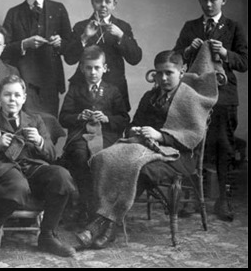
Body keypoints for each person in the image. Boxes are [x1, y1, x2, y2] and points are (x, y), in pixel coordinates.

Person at [74, 50, 215, 250]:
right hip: (146, 149)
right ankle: (106, 222)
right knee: (104, 158)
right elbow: (134, 123)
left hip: (178, 156)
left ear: (181, 71)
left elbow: (192, 136)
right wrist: (135, 129)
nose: (163, 78)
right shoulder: (151, 96)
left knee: (136, 168)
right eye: (159, 73)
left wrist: (160, 136)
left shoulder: (190, 98)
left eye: (169, 73)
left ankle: (105, 226)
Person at [0, 75, 76, 260]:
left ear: (24, 98)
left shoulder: (35, 120)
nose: (12, 99)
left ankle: (47, 235)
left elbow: (51, 155)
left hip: (30, 167)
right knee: (17, 185)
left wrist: (40, 141)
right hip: (0, 169)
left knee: (62, 176)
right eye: (7, 95)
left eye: (17, 95)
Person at [173, 0, 248, 222]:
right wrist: (186, 51)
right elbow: (175, 59)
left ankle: (223, 200)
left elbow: (245, 62)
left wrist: (226, 54)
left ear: (223, 0)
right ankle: (195, 197)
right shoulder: (191, 26)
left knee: (224, 146)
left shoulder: (233, 27)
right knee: (193, 144)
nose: (207, 4)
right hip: (194, 95)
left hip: (224, 97)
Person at [58, 46, 129, 225]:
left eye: (97, 68)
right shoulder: (75, 89)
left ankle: (103, 208)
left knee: (105, 157)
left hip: (106, 135)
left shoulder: (113, 90)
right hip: (81, 135)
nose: (92, 72)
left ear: (105, 68)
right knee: (80, 156)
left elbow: (124, 119)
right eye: (88, 68)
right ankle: (85, 204)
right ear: (82, 68)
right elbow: (63, 118)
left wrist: (106, 118)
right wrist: (78, 117)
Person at [2, 0, 72, 117]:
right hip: (24, 80)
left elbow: (70, 46)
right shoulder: (13, 13)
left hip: (50, 79)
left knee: (50, 123)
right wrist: (24, 44)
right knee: (26, 125)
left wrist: (60, 42)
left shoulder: (58, 9)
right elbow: (3, 49)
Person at [65, 0, 142, 112]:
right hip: (84, 89)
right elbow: (69, 59)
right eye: (98, 1)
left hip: (115, 89)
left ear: (114, 4)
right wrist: (84, 37)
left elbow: (135, 59)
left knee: (114, 127)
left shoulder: (123, 27)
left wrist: (121, 36)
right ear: (92, 2)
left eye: (108, 1)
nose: (103, 5)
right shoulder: (81, 27)